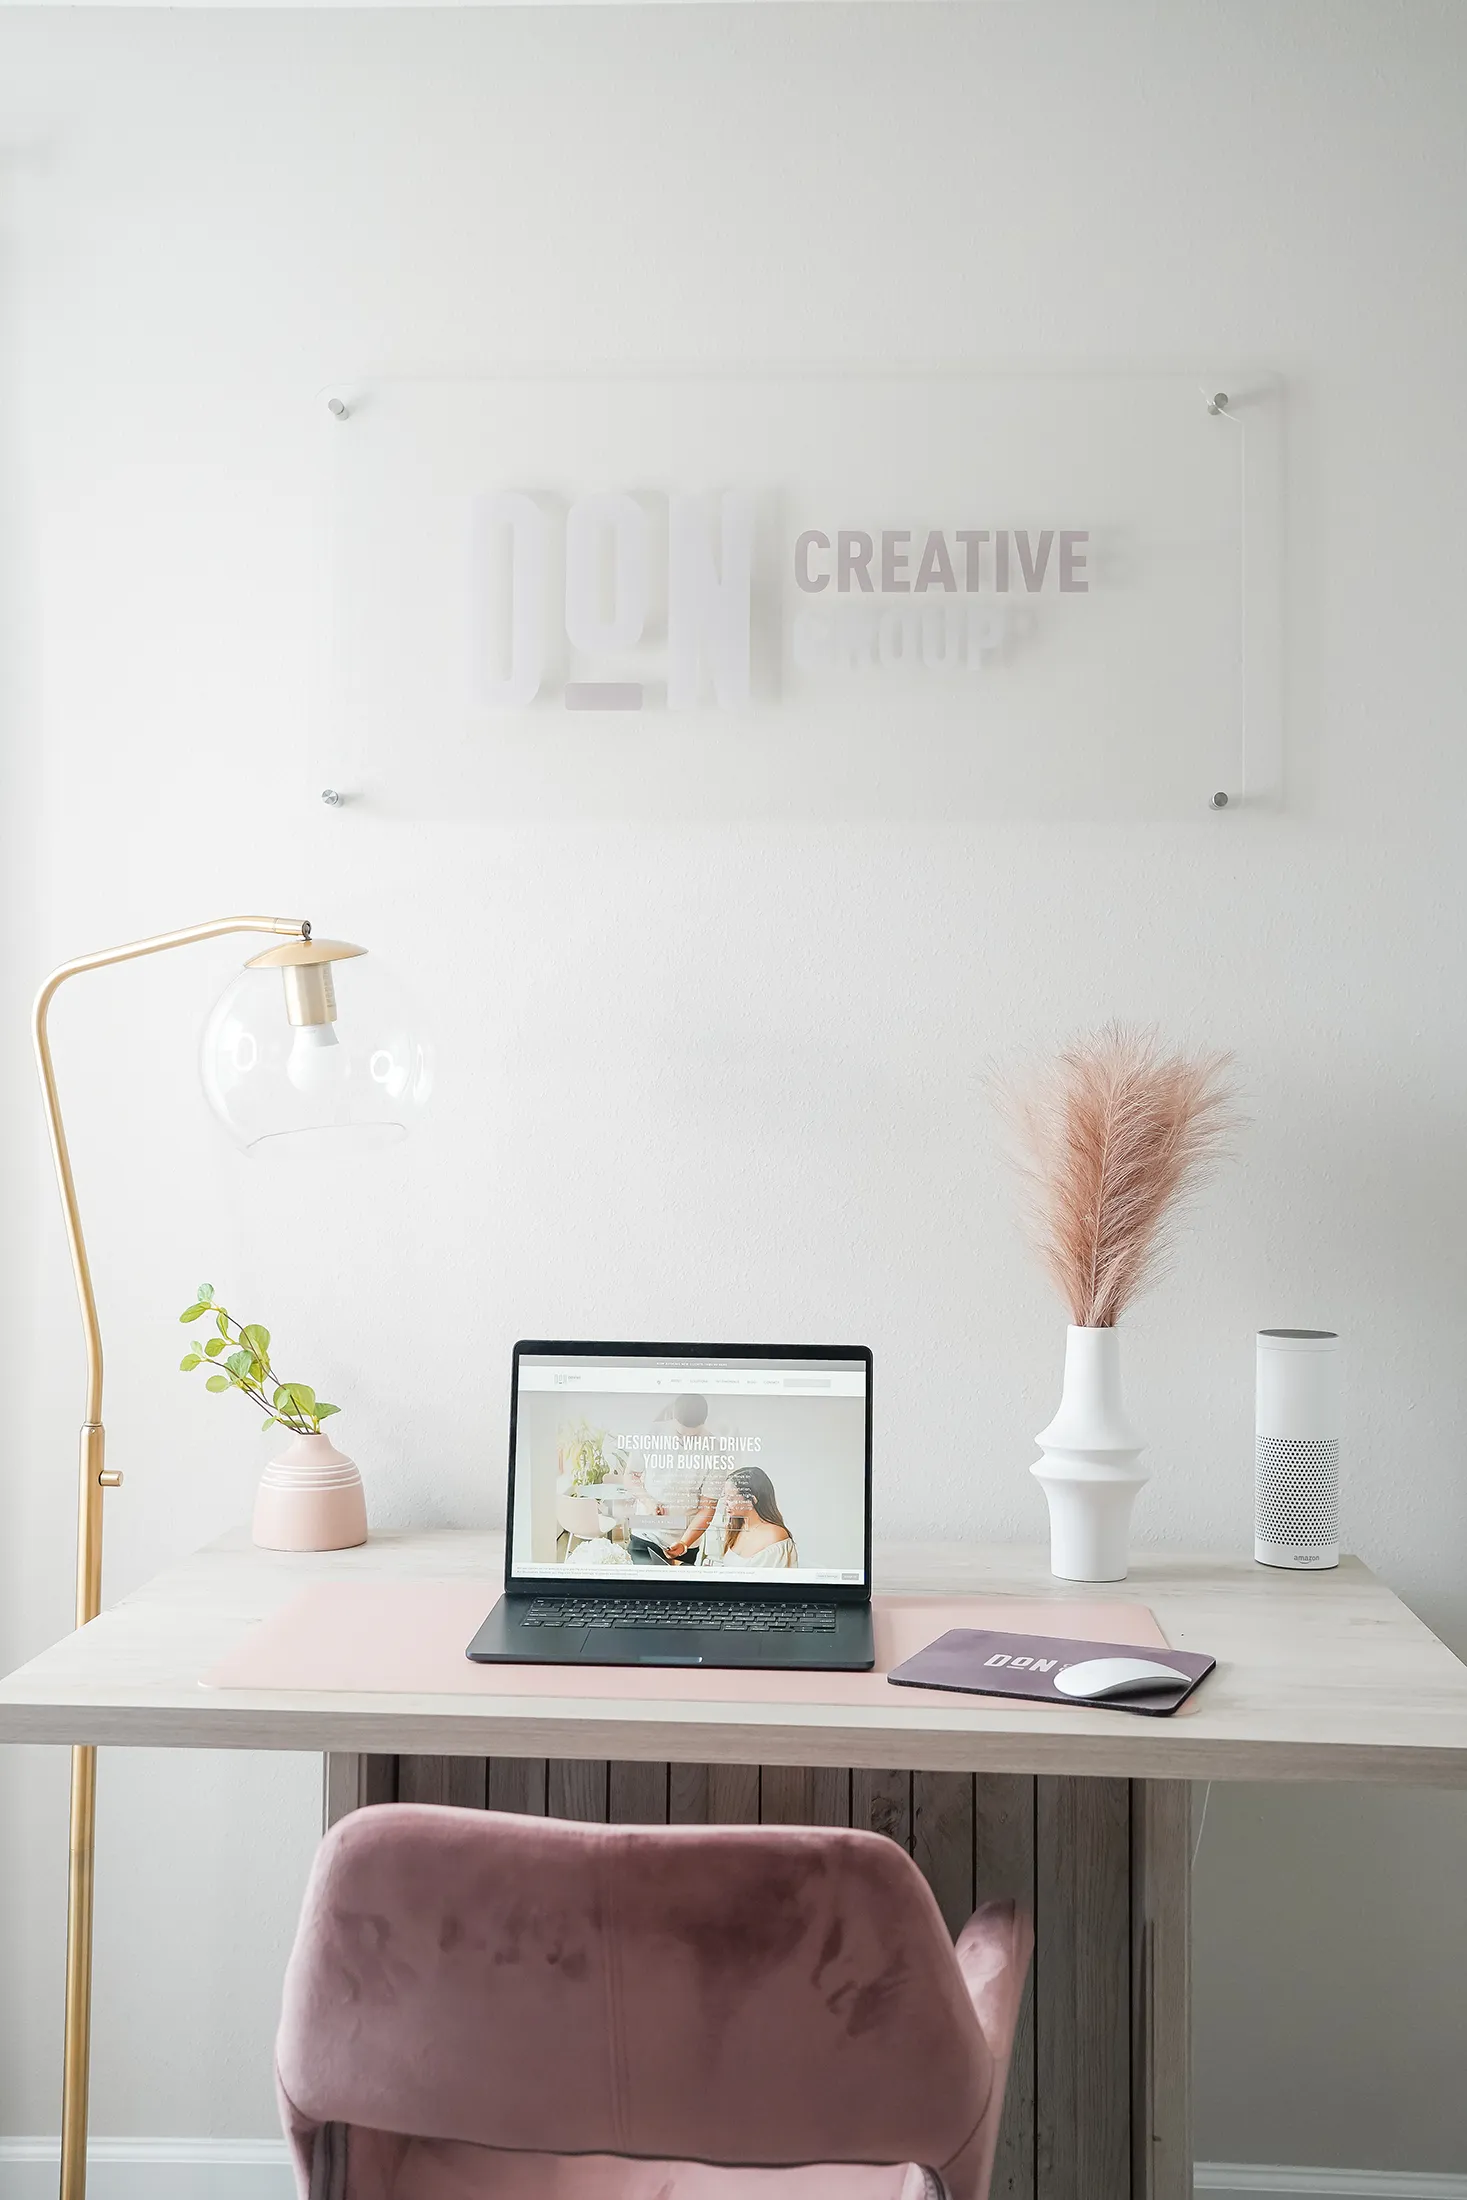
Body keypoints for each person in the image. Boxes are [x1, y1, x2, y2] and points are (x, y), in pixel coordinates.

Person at [623, 1394, 727, 1565]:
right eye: (680, 1434)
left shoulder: (715, 1451)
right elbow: (630, 1476)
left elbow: (707, 1509)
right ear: (673, 1416)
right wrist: (648, 1502)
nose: (686, 1440)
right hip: (646, 1532)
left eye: (693, 1436)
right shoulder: (650, 1433)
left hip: (684, 1541)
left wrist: (684, 1544)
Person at [700, 1465, 799, 1569]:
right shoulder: (738, 1527)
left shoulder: (775, 1536)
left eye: (731, 1498)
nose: (725, 1502)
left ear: (751, 1501)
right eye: (725, 1496)